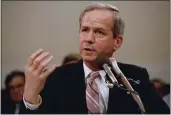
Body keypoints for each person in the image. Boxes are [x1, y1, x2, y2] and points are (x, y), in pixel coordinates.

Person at [19, 3, 170, 114]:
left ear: (117, 42)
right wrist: (30, 98)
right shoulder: (55, 78)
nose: (88, 39)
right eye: (85, 30)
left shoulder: (136, 77)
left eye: (99, 32)